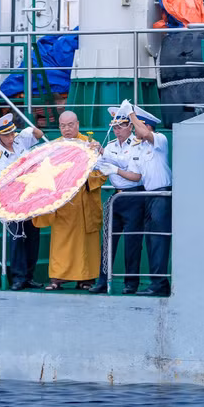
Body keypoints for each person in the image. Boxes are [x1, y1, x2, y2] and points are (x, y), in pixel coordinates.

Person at [32, 111, 107, 291]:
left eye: (70, 125)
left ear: (78, 124)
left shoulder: (89, 145)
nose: (67, 129)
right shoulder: (54, 147)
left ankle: (86, 279)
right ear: (59, 127)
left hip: (84, 203)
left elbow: (103, 170)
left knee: (85, 243)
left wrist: (85, 180)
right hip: (64, 205)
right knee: (61, 242)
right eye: (63, 126)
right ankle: (57, 279)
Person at [89, 107, 146, 295]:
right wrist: (94, 156)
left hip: (133, 196)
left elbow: (131, 171)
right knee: (108, 242)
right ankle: (103, 279)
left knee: (132, 242)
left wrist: (106, 158)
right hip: (116, 196)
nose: (117, 130)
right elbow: (101, 165)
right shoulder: (112, 145)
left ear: (130, 126)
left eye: (121, 126)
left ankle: (131, 283)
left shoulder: (136, 145)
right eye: (114, 127)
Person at [0, 113, 45, 291]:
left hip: (30, 198)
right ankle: (18, 277)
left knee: (33, 238)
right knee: (18, 238)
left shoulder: (20, 140)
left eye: (12, 133)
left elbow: (38, 133)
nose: (10, 137)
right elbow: (4, 180)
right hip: (14, 202)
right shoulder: (0, 157)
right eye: (6, 135)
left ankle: (29, 276)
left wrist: (27, 130)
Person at [124, 102, 172, 297]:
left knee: (158, 240)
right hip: (148, 196)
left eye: (136, 125)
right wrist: (111, 166)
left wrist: (131, 114)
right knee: (151, 241)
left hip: (161, 195)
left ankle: (159, 283)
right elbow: (135, 176)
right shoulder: (141, 149)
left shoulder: (159, 140)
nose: (134, 129)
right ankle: (157, 282)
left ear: (146, 126)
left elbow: (144, 134)